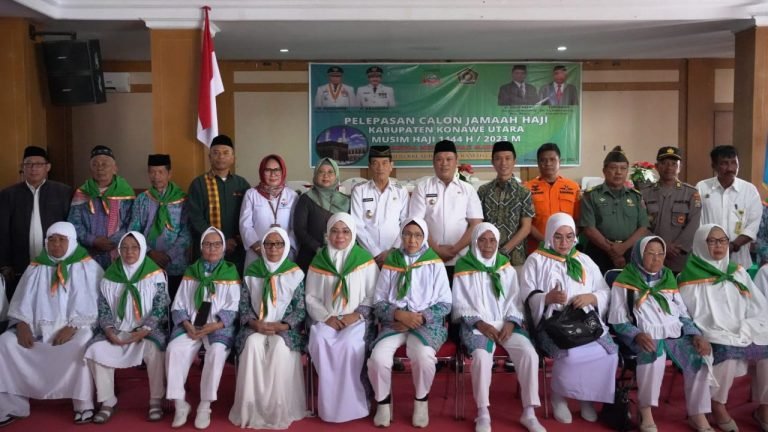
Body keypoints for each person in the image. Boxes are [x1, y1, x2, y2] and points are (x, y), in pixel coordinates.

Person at [0, 222, 101, 427]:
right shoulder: (36, 266)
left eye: (62, 240)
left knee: (81, 344)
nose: (56, 244)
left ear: (72, 241)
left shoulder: (88, 266)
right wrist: (21, 324)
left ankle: (83, 404)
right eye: (51, 240)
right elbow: (21, 300)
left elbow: (96, 303)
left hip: (75, 327)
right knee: (5, 342)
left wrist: (73, 326)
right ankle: (11, 406)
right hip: (36, 327)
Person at [608, 236, 713, 431]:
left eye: (660, 254)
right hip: (643, 334)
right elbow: (618, 320)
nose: (656, 259)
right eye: (650, 254)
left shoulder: (668, 278)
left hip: (674, 333)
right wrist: (636, 335)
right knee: (652, 354)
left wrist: (695, 334)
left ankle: (697, 413)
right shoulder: (625, 281)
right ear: (639, 255)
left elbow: (682, 313)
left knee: (700, 355)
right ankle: (645, 410)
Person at [521, 213, 618, 424]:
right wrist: (546, 298)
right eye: (558, 237)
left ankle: (586, 397)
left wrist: (591, 297)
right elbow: (526, 295)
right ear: (549, 235)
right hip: (552, 323)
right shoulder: (536, 260)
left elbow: (604, 291)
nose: (564, 243)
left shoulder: (584, 260)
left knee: (609, 353)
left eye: (569, 236)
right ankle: (559, 397)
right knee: (572, 354)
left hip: (584, 319)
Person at [453, 223, 544, 432]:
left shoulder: (505, 265)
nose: (487, 245)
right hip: (477, 325)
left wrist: (511, 323)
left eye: (492, 240)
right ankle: (483, 413)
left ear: (497, 242)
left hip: (506, 324)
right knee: (481, 357)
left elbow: (515, 299)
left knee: (529, 354)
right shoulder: (464, 266)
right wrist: (482, 324)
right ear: (475, 242)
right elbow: (459, 303)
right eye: (482, 240)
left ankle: (529, 412)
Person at [679, 224, 768, 432]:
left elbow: (757, 304)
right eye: (712, 241)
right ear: (700, 244)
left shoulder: (737, 272)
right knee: (727, 350)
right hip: (711, 330)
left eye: (723, 241)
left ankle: (764, 408)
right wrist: (699, 333)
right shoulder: (688, 276)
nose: (718, 246)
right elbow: (685, 313)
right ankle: (718, 405)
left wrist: (750, 324)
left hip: (742, 326)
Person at [368, 217, 452, 428]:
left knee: (423, 357)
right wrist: (399, 314)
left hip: (425, 323)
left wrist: (418, 318)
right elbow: (378, 301)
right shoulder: (392, 261)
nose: (411, 240)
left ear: (424, 238)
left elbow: (445, 304)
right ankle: (383, 403)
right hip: (394, 322)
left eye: (417, 235)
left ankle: (421, 401)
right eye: (407, 234)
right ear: (401, 236)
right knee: (378, 358)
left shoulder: (434, 263)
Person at [84, 231, 170, 424]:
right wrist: (109, 330)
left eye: (134, 248)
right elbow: (104, 308)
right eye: (124, 247)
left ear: (143, 249)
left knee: (155, 349)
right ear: (119, 250)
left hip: (147, 330)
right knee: (96, 349)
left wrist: (144, 330)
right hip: (117, 328)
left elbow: (160, 307)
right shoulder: (110, 274)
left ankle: (156, 399)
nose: (129, 252)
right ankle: (108, 401)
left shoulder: (155, 274)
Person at [230, 227, 307, 429]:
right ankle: (251, 408)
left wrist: (283, 325)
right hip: (256, 326)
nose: (273, 248)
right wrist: (254, 323)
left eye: (278, 244)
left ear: (286, 247)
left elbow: (300, 308)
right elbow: (244, 305)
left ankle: (278, 408)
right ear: (262, 246)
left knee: (279, 349)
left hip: (285, 329)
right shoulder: (251, 272)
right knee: (252, 346)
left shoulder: (295, 273)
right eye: (269, 244)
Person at [306, 212, 378, 423]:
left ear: (352, 233)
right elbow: (311, 297)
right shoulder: (319, 260)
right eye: (335, 231)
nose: (340, 236)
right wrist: (327, 317)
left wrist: (356, 314)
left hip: (357, 320)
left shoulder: (364, 260)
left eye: (345, 231)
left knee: (348, 345)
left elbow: (374, 293)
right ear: (327, 234)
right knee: (320, 340)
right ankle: (330, 406)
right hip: (327, 318)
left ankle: (356, 404)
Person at [166, 227, 240, 430]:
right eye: (207, 244)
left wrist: (215, 325)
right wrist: (187, 324)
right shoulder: (191, 271)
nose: (212, 248)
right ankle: (180, 404)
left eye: (216, 244)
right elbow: (178, 304)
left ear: (223, 248)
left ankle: (205, 406)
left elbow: (234, 308)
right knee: (174, 350)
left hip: (218, 326)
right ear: (201, 247)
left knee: (216, 352)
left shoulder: (230, 272)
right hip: (191, 325)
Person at [0, 146, 72, 299]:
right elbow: (3, 231)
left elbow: (70, 228)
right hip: (19, 265)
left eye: (39, 164)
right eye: (29, 164)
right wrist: (5, 263)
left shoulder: (63, 192)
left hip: (55, 263)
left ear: (48, 167)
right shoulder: (8, 195)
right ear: (22, 167)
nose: (33, 168)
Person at [409, 140, 483, 278]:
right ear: (433, 162)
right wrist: (436, 249)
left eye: (449, 159)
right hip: (428, 257)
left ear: (456, 161)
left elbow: (476, 224)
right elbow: (417, 223)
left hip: (461, 260)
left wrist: (454, 250)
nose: (444, 163)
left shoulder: (467, 189)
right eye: (439, 159)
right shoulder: (423, 187)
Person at [580, 146, 650, 273]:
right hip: (599, 253)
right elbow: (589, 229)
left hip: (630, 252)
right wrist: (612, 251)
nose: (618, 172)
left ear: (627, 171)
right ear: (604, 170)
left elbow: (643, 227)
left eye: (623, 168)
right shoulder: (591, 196)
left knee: (629, 285)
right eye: (613, 168)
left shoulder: (635, 196)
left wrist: (623, 247)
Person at [187, 134, 250, 273]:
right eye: (216, 153)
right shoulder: (198, 184)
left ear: (233, 158)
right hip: (207, 249)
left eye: (226, 153)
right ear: (209, 157)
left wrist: (235, 240)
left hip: (236, 249)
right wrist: (219, 241)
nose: (221, 156)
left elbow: (248, 216)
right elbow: (195, 218)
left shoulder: (242, 184)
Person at [130, 154, 190, 298]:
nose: (156, 176)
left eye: (160, 172)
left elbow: (186, 233)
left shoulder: (183, 199)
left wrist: (169, 256)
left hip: (176, 263)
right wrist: (150, 252)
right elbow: (134, 230)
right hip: (148, 262)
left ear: (169, 173)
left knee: (175, 303)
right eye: (152, 172)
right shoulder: (142, 199)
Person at [68, 145, 135, 269]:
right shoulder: (82, 193)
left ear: (115, 169)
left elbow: (132, 223)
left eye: (105, 164)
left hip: (118, 252)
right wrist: (93, 240)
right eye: (95, 164)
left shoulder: (125, 192)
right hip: (88, 254)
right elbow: (73, 224)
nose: (100, 168)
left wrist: (113, 241)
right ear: (90, 169)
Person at [695, 145, 761, 270]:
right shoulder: (702, 188)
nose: (730, 168)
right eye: (724, 163)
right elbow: (697, 222)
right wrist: (714, 245)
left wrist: (733, 246)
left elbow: (753, 225)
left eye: (734, 163)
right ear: (714, 166)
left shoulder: (749, 190)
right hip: (707, 258)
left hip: (738, 260)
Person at [640, 146, 702, 273]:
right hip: (651, 255)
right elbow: (641, 224)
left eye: (674, 164)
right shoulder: (644, 193)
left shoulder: (691, 193)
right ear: (657, 166)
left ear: (680, 167)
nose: (669, 168)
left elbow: (694, 224)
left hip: (680, 257)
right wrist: (659, 246)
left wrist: (677, 247)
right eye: (664, 163)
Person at [477, 141, 534, 277]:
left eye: (508, 158)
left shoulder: (524, 192)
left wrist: (504, 250)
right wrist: (490, 249)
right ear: (492, 162)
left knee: (515, 290)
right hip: (487, 256)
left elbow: (526, 227)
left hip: (516, 258)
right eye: (498, 158)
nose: (503, 163)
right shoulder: (483, 191)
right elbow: (478, 225)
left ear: (514, 161)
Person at [351, 145, 409, 267]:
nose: (380, 168)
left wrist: (393, 250)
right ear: (369, 167)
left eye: (384, 163)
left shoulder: (401, 191)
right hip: (367, 255)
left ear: (391, 166)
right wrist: (375, 253)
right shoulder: (359, 190)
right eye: (375, 163)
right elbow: (357, 225)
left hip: (395, 254)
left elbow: (406, 224)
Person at [239, 154, 298, 270]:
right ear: (262, 172)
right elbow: (245, 225)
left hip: (284, 254)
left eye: (277, 170)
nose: (273, 174)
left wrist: (285, 249)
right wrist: (259, 249)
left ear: (283, 171)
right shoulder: (251, 194)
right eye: (268, 170)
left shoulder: (292, 195)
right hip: (257, 253)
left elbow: (295, 227)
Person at [294, 157, 350, 272]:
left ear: (336, 176)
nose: (326, 176)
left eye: (330, 172)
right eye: (321, 172)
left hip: (339, 256)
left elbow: (351, 230)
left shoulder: (346, 201)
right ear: (315, 175)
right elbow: (299, 229)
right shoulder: (306, 199)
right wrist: (318, 248)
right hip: (311, 256)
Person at [524, 143, 580, 254]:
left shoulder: (573, 187)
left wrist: (567, 240)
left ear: (560, 162)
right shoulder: (527, 188)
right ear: (538, 163)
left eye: (552, 159)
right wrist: (546, 241)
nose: (548, 163)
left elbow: (579, 221)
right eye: (543, 160)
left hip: (566, 249)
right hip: (537, 248)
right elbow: (526, 223)